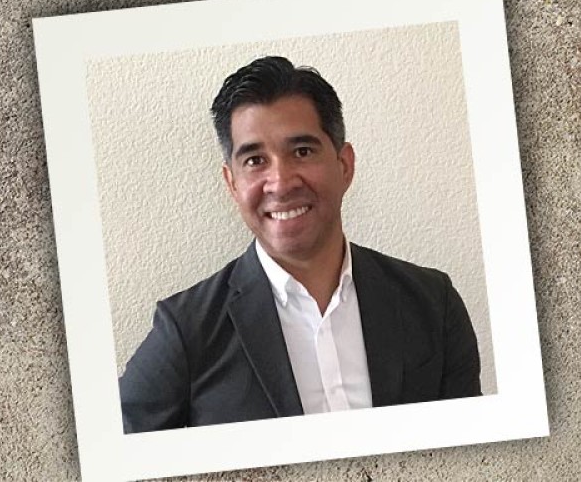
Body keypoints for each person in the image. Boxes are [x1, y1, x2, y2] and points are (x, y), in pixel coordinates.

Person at [119, 56, 481, 434]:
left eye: (302, 152)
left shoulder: (433, 304)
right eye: (255, 160)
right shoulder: (186, 331)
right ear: (232, 183)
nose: (280, 181)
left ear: (344, 165)